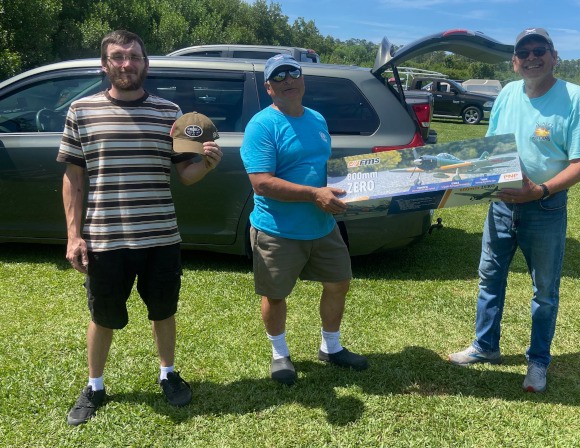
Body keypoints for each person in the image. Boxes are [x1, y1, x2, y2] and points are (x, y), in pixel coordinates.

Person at [58, 30, 222, 425]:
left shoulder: (170, 113)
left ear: (145, 62)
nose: (126, 64)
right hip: (106, 239)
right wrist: (74, 236)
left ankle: (168, 374)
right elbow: (73, 178)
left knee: (163, 311)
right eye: (118, 57)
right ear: (105, 64)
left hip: (160, 237)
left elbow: (186, 175)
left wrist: (207, 163)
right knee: (103, 316)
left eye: (134, 56)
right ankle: (95, 385)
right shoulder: (81, 110)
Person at [448, 28, 580, 393]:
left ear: (553, 56)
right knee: (489, 279)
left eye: (539, 50)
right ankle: (485, 346)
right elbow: (490, 148)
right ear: (515, 62)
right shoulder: (506, 94)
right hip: (501, 206)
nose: (532, 57)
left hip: (545, 206)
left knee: (544, 290)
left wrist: (540, 190)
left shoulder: (574, 97)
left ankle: (538, 361)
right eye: (524, 52)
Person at [240, 54, 368, 385]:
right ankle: (280, 354)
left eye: (292, 73)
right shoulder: (262, 126)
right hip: (277, 230)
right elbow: (261, 183)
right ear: (269, 88)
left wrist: (350, 189)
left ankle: (331, 347)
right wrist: (314, 194)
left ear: (303, 79)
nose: (287, 80)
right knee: (276, 294)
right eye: (278, 77)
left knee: (339, 282)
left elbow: (319, 166)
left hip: (322, 225)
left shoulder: (317, 119)